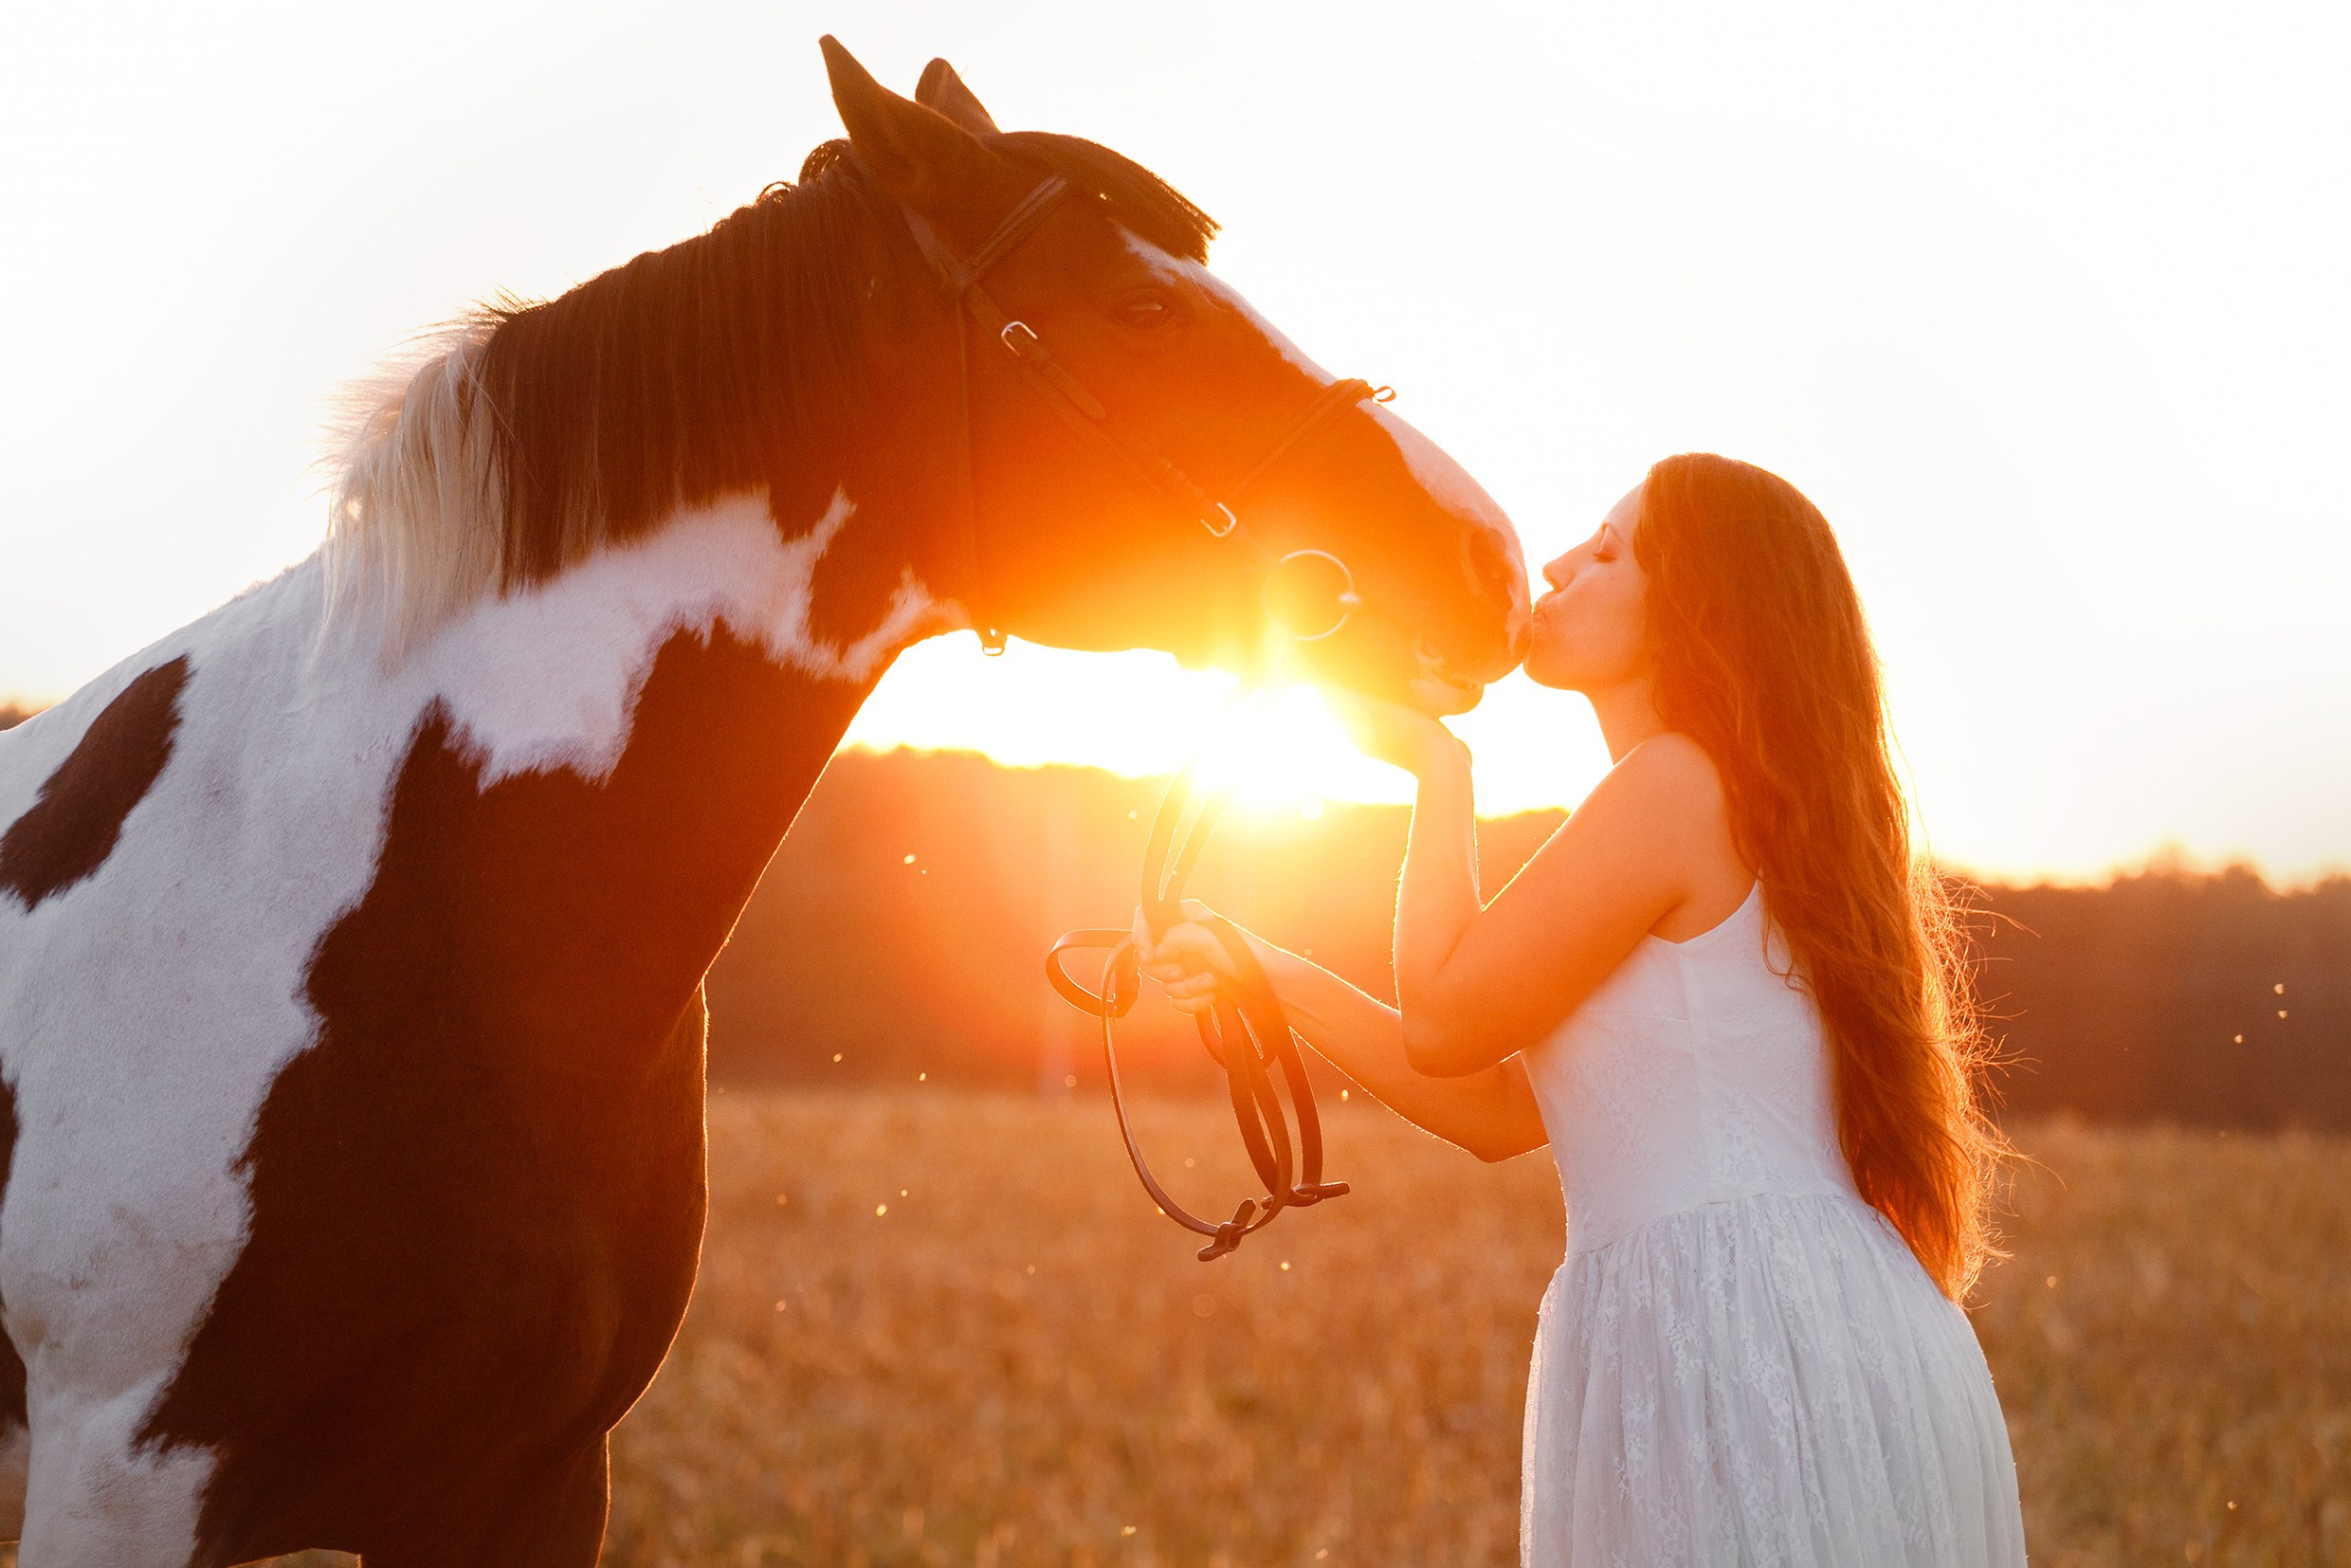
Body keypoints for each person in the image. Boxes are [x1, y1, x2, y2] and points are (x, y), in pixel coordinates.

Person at [1137, 453, 2030, 1566]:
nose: (1555, 565)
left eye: (1606, 552)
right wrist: (1265, 971)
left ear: (1695, 612)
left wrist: (1434, 762)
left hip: (1735, 1330)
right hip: (1783, 1319)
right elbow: (1502, 1109)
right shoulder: (1712, 798)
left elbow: (1446, 1021)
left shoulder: (1669, 786)